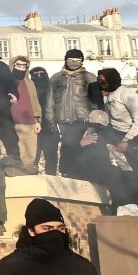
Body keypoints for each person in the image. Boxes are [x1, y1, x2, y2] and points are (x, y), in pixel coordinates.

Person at [98, 68, 138, 213]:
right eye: (99, 81)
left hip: (134, 135)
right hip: (115, 132)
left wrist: (126, 141)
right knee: (95, 137)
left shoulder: (128, 95)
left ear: (112, 80)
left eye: (104, 81)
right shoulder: (106, 95)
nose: (101, 84)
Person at [50, 49, 94, 178]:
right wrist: (51, 122)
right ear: (65, 60)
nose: (74, 63)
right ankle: (67, 175)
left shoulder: (90, 77)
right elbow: (49, 101)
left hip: (83, 121)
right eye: (71, 60)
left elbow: (96, 102)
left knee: (86, 151)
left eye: (78, 60)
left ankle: (86, 177)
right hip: (64, 122)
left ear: (82, 61)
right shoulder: (56, 78)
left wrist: (93, 125)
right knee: (67, 149)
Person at [9, 56, 43, 173]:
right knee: (17, 152)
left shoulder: (29, 82)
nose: (22, 68)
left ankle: (29, 177)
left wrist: (37, 120)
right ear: (12, 65)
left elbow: (34, 101)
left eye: (25, 66)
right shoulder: (5, 82)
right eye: (19, 65)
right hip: (12, 122)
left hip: (30, 122)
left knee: (30, 154)